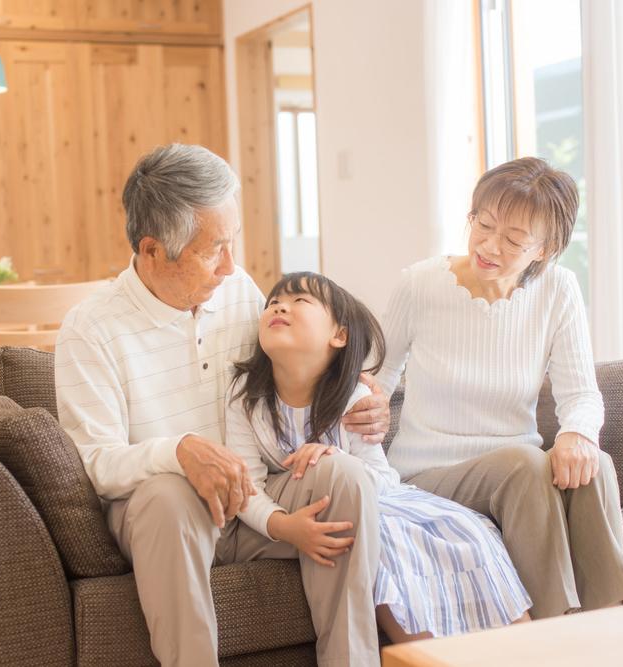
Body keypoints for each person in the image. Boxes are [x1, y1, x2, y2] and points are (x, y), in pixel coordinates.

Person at [54, 143, 390, 666]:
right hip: (167, 515)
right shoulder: (90, 328)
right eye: (214, 249)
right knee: (168, 496)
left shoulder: (235, 291)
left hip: (255, 493)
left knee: (344, 477)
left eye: (232, 243)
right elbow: (95, 461)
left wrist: (362, 392)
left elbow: (299, 363)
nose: (232, 265)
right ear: (151, 251)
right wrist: (181, 451)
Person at [377, 157, 623, 619]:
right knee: (525, 462)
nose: (489, 245)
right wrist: (364, 407)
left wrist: (577, 434)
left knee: (593, 464)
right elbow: (374, 377)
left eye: (514, 239)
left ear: (544, 250)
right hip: (429, 475)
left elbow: (581, 394)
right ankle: (548, 635)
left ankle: (611, 627)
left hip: (520, 476)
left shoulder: (559, 291)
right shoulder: (420, 284)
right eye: (484, 224)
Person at [225, 271, 532, 645]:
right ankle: (426, 653)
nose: (279, 306)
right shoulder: (246, 398)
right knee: (381, 542)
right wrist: (285, 523)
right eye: (274, 302)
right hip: (329, 509)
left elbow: (382, 477)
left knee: (465, 533)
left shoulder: (352, 398)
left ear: (338, 335)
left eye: (299, 301)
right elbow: (249, 485)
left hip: (383, 500)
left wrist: (338, 458)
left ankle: (528, 649)